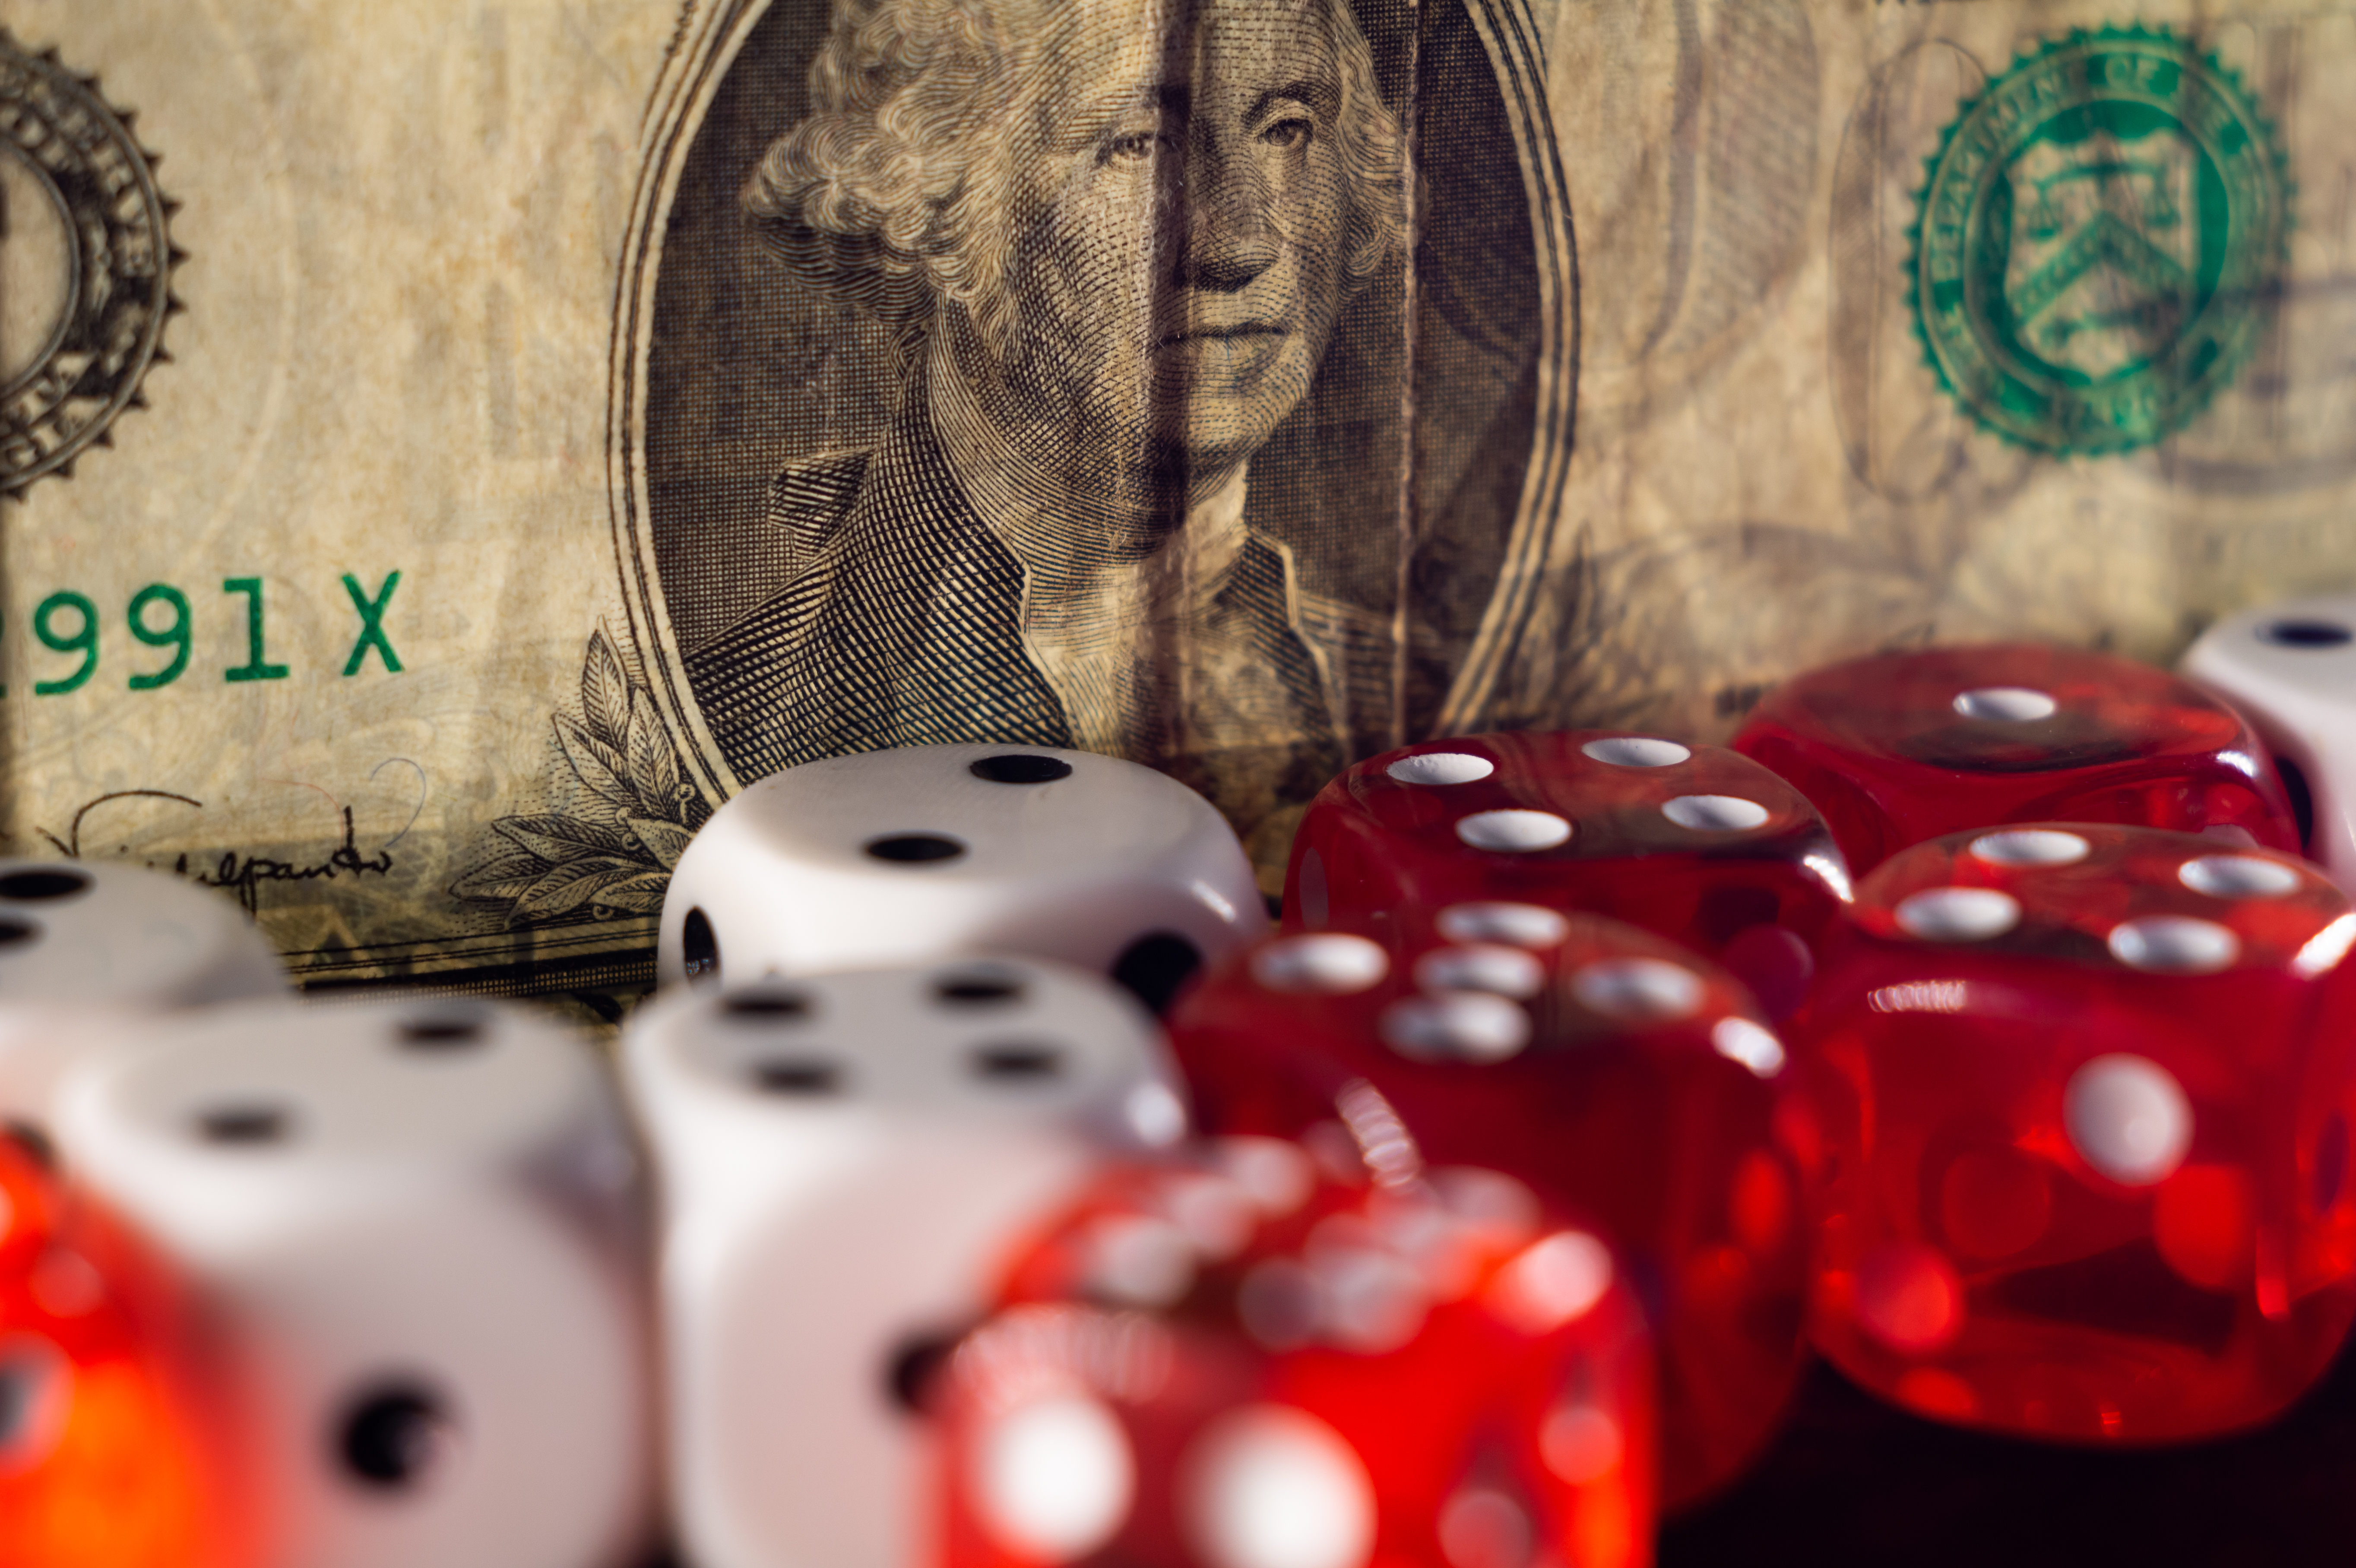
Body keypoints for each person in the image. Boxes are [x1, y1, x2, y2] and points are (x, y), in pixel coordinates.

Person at [683, 0, 1407, 855]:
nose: (1239, 240)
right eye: (1135, 142)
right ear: (937, 204)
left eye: (1286, 130)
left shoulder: (1405, 698)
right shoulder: (748, 724)